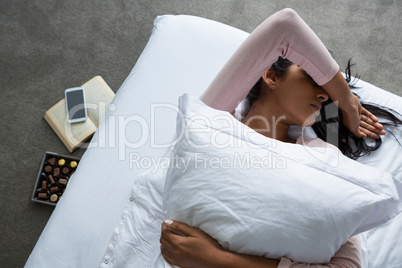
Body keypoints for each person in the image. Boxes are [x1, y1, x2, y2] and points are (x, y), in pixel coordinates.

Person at [159, 8, 400, 267]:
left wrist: (218, 260)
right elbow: (285, 26)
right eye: (312, 77)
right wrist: (346, 99)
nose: (324, 95)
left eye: (328, 93)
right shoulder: (212, 120)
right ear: (271, 75)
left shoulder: (324, 159)